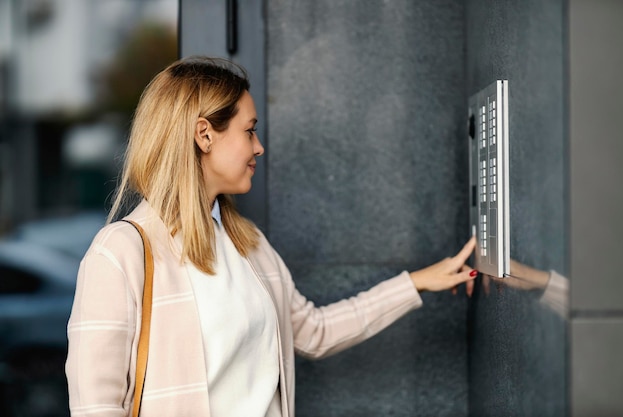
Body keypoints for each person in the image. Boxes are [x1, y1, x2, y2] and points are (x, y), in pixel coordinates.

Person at [65, 56, 477, 417]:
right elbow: (95, 408)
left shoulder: (248, 245)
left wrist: (416, 283)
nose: (259, 147)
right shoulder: (120, 254)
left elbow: (313, 330)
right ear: (204, 134)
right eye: (249, 131)